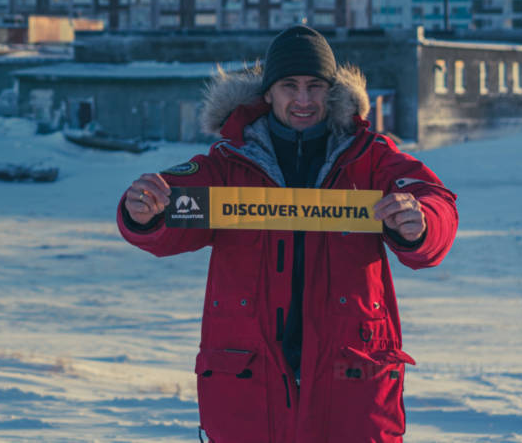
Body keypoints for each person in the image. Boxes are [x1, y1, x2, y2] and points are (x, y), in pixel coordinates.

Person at [117, 25, 458, 443]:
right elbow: (166, 215)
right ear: (268, 93)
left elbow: (435, 201)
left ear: (330, 91)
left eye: (315, 86)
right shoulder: (228, 164)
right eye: (289, 86)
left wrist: (420, 220)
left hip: (351, 380)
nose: (303, 99)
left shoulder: (370, 157)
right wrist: (143, 211)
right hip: (247, 383)